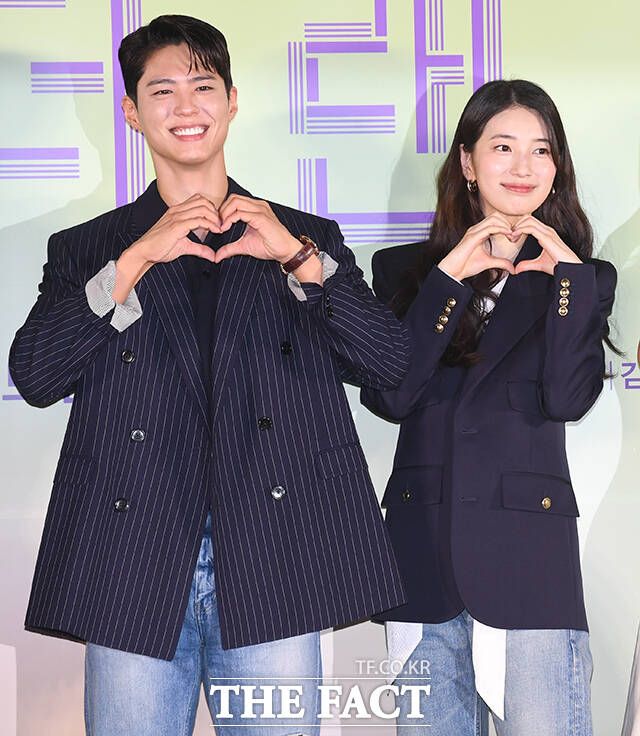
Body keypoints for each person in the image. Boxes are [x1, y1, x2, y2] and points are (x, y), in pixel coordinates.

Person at [9, 14, 411, 736]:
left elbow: (389, 366)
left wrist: (298, 260)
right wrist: (135, 260)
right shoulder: (89, 248)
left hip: (273, 554)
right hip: (134, 559)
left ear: (231, 101)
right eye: (162, 90)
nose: (185, 106)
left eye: (202, 86)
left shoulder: (303, 235)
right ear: (132, 112)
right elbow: (36, 375)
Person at [361, 79, 617, 736]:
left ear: (557, 168)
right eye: (503, 147)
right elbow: (391, 396)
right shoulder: (404, 272)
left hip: (529, 562)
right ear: (468, 162)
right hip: (422, 557)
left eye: (541, 150)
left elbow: (567, 399)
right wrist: (449, 278)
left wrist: (568, 285)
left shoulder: (584, 280)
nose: (524, 166)